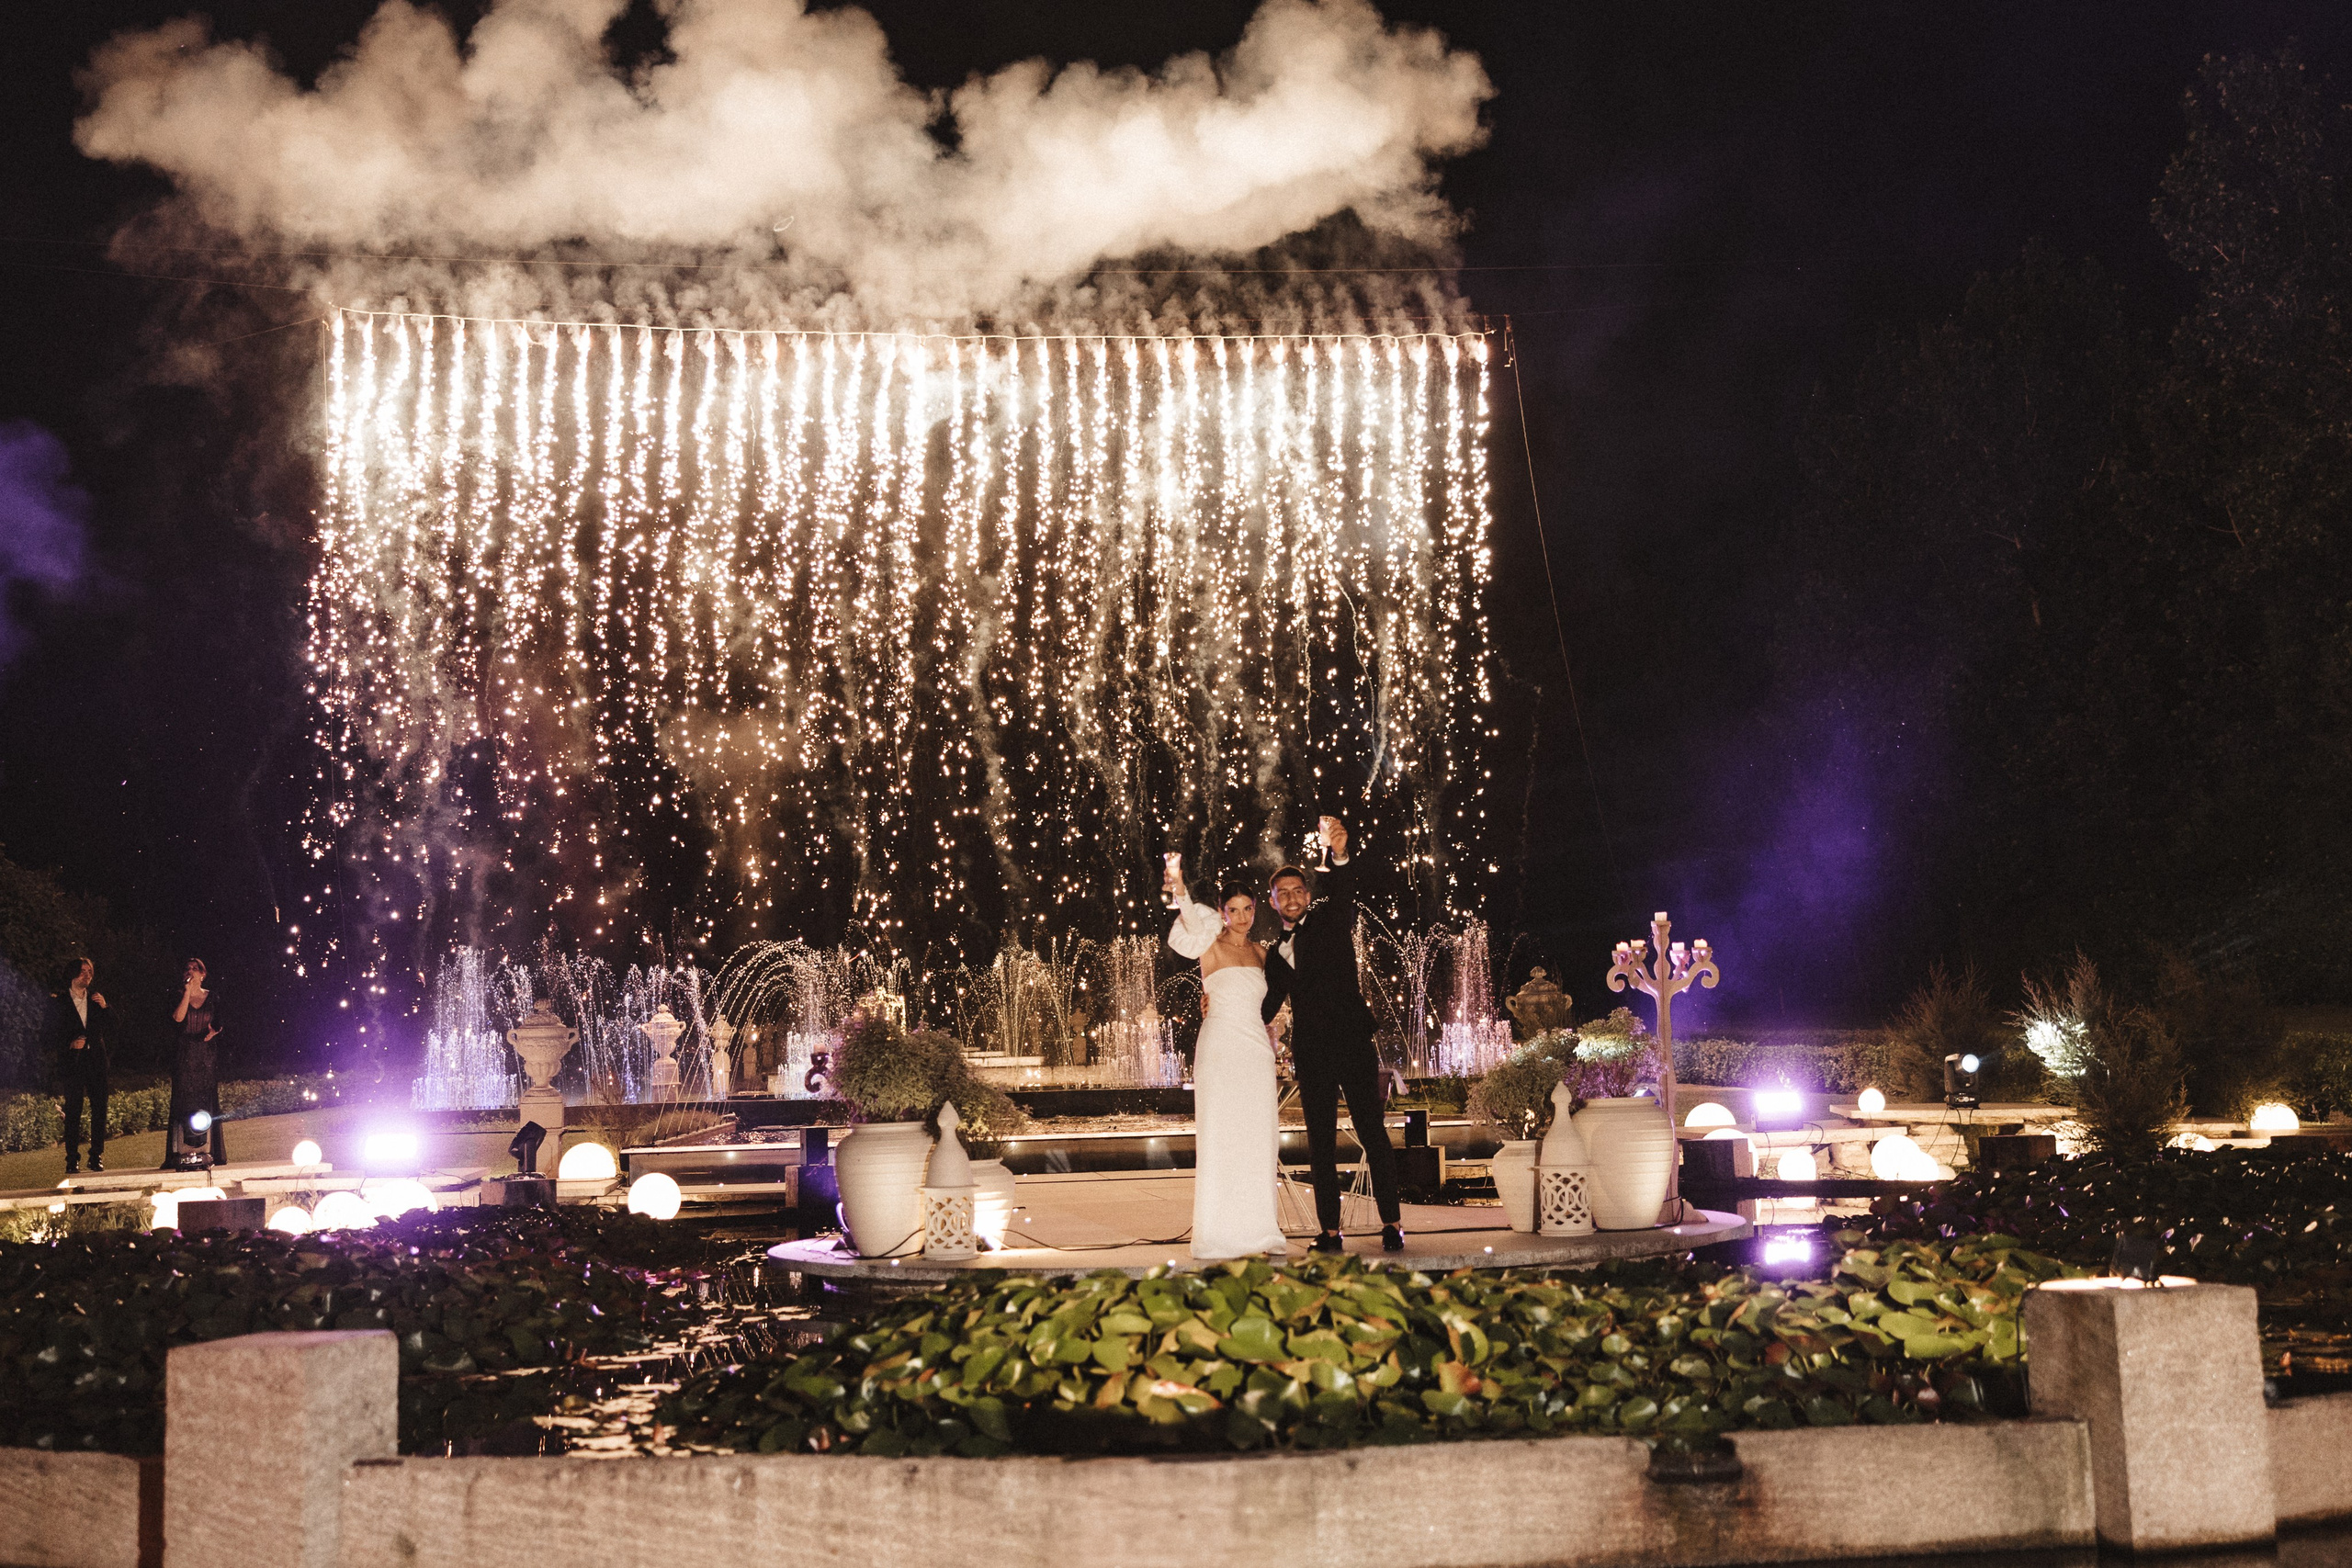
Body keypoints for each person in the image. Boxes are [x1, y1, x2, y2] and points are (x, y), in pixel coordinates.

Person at [1261, 817, 1403, 1254]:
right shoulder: (1275, 953)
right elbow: (1266, 1005)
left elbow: (1343, 892)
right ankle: (1329, 1232)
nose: (1290, 898)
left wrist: (1339, 854)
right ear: (1273, 902)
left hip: (1353, 1043)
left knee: (1372, 1133)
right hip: (1313, 1053)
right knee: (1319, 1144)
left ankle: (1393, 1225)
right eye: (1281, 893)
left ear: (1306, 894)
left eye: (1296, 891)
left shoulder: (1330, 920)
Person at [1163, 857, 1289, 1260]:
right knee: (1219, 1138)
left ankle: (1260, 1232)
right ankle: (1218, 1234)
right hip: (1219, 1049)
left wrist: (1280, 1028)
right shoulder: (1209, 944)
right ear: (1221, 912)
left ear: (1256, 909)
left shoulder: (1263, 953)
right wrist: (1179, 885)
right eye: (1232, 910)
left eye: (1247, 909)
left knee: (1258, 1140)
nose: (1240, 916)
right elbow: (1189, 917)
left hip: (1255, 1053)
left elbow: (1276, 1004)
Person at [51, 956, 109, 1174]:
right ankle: (72, 1159)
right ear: (73, 973)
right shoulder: (60, 1002)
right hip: (74, 1062)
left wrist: (106, 1007)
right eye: (83, 971)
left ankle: (96, 1156)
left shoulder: (96, 1000)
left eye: (90, 972)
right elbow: (48, 1035)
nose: (87, 975)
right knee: (74, 1111)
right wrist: (70, 1045)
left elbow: (114, 1025)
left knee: (99, 1110)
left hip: (96, 1061)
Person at [166, 959, 226, 1168]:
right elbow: (178, 1018)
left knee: (206, 1100)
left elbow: (220, 1022)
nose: (191, 971)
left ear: (203, 974)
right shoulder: (179, 994)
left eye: (195, 968)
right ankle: (181, 1151)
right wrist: (186, 992)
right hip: (185, 1053)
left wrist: (215, 1030)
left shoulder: (212, 997)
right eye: (188, 969)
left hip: (206, 1053)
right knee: (184, 1100)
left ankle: (209, 1151)